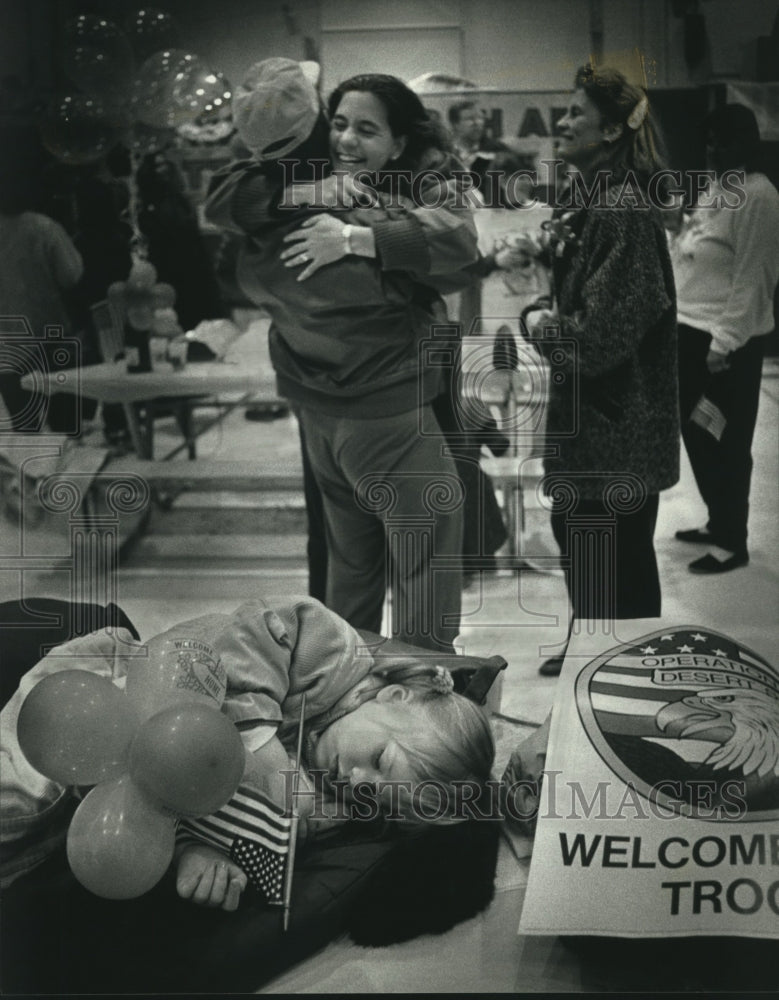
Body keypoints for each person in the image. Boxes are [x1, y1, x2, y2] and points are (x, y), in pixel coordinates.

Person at [206, 65, 482, 652]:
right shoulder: (334, 199)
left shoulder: (343, 199)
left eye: (367, 129)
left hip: (323, 413)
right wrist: (357, 228)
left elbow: (457, 247)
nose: (348, 140)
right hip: (383, 408)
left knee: (351, 566)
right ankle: (420, 698)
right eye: (339, 124)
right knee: (424, 565)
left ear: (400, 143)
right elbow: (459, 251)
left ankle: (340, 681)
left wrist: (358, 234)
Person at [0, 596, 495, 912]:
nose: (356, 776)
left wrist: (199, 851)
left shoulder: (324, 799)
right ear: (394, 697)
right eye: (381, 759)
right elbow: (246, 639)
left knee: (29, 854)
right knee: (23, 804)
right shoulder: (329, 648)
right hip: (107, 686)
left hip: (128, 787)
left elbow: (220, 801)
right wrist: (264, 749)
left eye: (374, 795)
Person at [519, 64, 679, 675]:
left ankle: (630, 679)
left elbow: (599, 340)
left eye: (575, 113)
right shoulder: (592, 201)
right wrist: (543, 307)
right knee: (584, 551)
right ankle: (591, 648)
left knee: (621, 565)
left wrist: (537, 324)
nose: (563, 122)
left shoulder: (623, 211)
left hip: (618, 433)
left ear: (612, 130)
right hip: (590, 432)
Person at [672, 103, 779, 574]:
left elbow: (754, 275)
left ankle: (733, 540)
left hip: (724, 343)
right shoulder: (718, 187)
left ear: (748, 142)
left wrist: (725, 341)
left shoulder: (759, 196)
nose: (716, 149)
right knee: (697, 431)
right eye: (711, 141)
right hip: (689, 331)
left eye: (727, 141)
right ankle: (718, 520)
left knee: (726, 440)